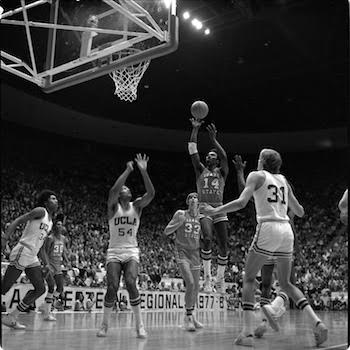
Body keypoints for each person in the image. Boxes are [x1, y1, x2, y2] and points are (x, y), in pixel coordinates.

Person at [201, 149, 328, 347]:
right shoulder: (283, 180)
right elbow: (301, 212)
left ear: (262, 162)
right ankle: (317, 322)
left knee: (249, 278)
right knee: (286, 284)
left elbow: (242, 202)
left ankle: (246, 334)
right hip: (286, 231)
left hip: (268, 227)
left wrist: (216, 210)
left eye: (259, 158)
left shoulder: (257, 175)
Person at [97, 154, 155, 338]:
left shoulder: (136, 206)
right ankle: (105, 324)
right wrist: (128, 170)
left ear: (129, 194)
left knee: (130, 282)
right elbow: (113, 191)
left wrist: (144, 171)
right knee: (112, 286)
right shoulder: (113, 208)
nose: (124, 188)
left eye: (127, 187)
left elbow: (151, 194)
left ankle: (139, 325)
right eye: (123, 187)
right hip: (114, 251)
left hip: (131, 251)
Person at [233, 155, 291, 338]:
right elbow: (247, 193)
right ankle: (266, 319)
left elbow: (244, 197)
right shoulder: (276, 182)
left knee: (276, 283)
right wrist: (240, 173)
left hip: (274, 232)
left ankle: (266, 319)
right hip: (281, 234)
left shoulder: (275, 182)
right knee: (268, 283)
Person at [1, 190, 58, 329]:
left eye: (56, 199)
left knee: (40, 289)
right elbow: (19, 220)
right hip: (23, 250)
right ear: (46, 202)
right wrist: (5, 238)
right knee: (4, 287)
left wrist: (46, 264)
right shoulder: (41, 211)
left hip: (32, 255)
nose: (56, 200)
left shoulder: (50, 222)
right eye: (53, 198)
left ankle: (11, 317)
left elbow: (42, 246)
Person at [188, 118, 229, 293]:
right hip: (204, 208)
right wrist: (195, 129)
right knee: (206, 238)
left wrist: (213, 140)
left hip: (219, 209)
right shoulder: (200, 169)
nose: (208, 157)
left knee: (224, 246)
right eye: (208, 155)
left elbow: (225, 156)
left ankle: (219, 279)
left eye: (212, 156)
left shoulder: (222, 172)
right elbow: (192, 150)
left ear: (217, 160)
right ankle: (207, 280)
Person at [164, 192, 204, 331]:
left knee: (196, 287)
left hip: (195, 253)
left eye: (195, 197)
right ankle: (187, 317)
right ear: (188, 202)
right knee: (190, 283)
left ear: (199, 201)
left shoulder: (201, 217)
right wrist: (178, 224)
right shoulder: (181, 214)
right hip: (182, 252)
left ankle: (192, 316)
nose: (193, 199)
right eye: (190, 197)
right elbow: (166, 231)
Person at [39, 220, 69, 320]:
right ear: (55, 227)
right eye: (58, 225)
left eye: (61, 225)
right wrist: (47, 265)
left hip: (58, 266)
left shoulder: (64, 239)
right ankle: (48, 313)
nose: (60, 226)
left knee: (60, 287)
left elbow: (63, 251)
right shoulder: (50, 238)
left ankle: (46, 304)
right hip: (50, 265)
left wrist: (67, 260)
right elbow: (45, 252)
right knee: (51, 287)